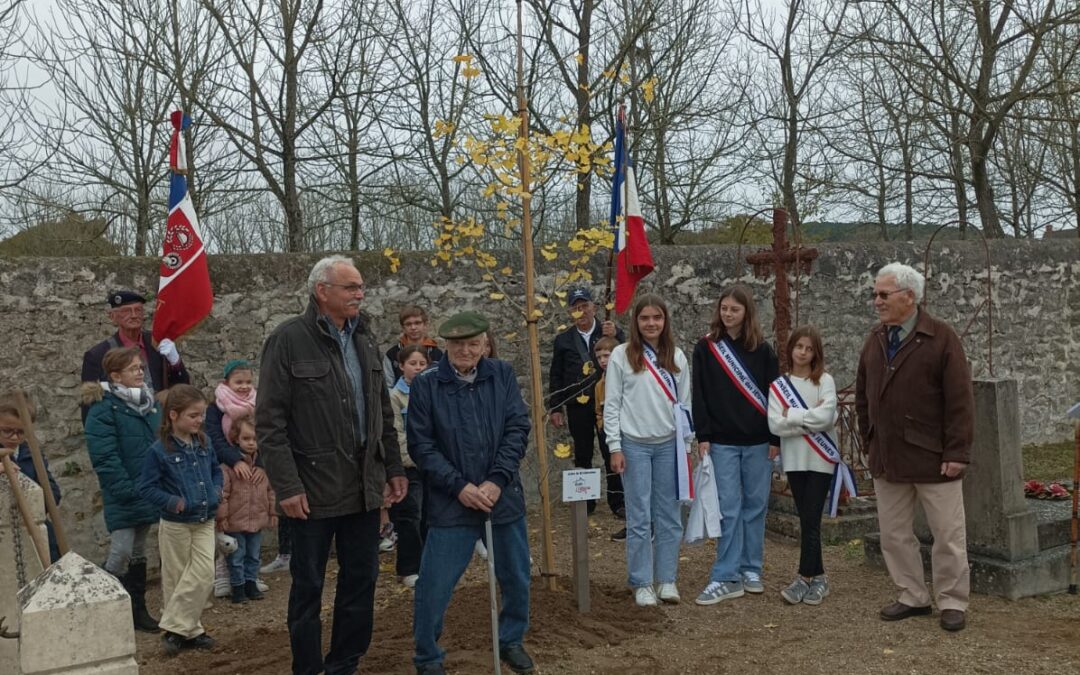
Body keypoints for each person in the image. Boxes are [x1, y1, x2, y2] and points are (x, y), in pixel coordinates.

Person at [256, 255, 406, 675]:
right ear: (322, 291)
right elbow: (269, 422)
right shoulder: (287, 340)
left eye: (360, 287)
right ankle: (307, 668)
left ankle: (344, 664)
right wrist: (286, 486)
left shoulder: (366, 339)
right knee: (308, 588)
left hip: (363, 489)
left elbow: (381, 412)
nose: (360, 294)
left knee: (361, 583)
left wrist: (392, 469)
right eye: (351, 287)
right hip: (312, 491)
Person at [408, 311, 534, 675]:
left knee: (516, 576)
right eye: (458, 344)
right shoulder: (427, 384)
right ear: (445, 346)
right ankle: (428, 657)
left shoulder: (502, 374)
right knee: (434, 585)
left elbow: (516, 428)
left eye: (473, 344)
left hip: (502, 496)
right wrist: (459, 486)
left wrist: (496, 479)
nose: (466, 350)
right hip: (452, 502)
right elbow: (422, 446)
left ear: (484, 345)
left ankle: (510, 640)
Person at [856, 262, 974, 632]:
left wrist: (956, 452)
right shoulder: (876, 339)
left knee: (947, 536)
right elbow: (863, 394)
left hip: (933, 457)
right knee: (893, 534)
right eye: (875, 294)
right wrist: (869, 438)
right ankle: (912, 595)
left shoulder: (941, 337)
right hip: (888, 457)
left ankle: (952, 601)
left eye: (883, 294)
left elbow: (960, 400)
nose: (876, 301)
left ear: (910, 297)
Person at [693, 284, 781, 605]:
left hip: (759, 442)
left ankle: (751, 568)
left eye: (735, 309)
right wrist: (703, 436)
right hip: (722, 442)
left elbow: (775, 397)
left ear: (747, 313)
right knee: (728, 508)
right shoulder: (705, 349)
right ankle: (726, 573)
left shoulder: (763, 351)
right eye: (724, 308)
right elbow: (699, 395)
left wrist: (775, 438)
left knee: (755, 507)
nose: (728, 314)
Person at [603, 294, 693, 608]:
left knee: (669, 515)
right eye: (645, 318)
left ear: (665, 321)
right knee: (639, 516)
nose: (651, 323)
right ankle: (642, 581)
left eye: (657, 318)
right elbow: (611, 405)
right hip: (634, 444)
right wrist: (614, 446)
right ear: (636, 322)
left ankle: (667, 579)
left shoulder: (678, 357)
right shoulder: (620, 355)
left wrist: (686, 446)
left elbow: (685, 406)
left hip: (669, 444)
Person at [82, 347, 164, 632]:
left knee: (140, 551)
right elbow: (104, 456)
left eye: (141, 367)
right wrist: (127, 489)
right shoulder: (104, 408)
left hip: (147, 490)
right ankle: (101, 607)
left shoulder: (150, 404)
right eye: (133, 369)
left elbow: (159, 444)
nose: (140, 371)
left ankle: (137, 611)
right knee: (121, 552)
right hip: (125, 492)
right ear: (115, 376)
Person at [138, 384, 221, 656]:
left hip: (205, 518)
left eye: (201, 415)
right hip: (176, 523)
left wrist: (216, 489)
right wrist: (173, 502)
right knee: (177, 577)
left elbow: (215, 471)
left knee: (204, 574)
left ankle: (173, 628)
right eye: (193, 415)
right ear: (173, 415)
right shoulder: (158, 451)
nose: (199, 420)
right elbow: (147, 487)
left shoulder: (204, 444)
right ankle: (191, 631)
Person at [766, 327, 838, 606]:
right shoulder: (778, 386)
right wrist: (809, 416)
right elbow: (775, 424)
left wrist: (792, 416)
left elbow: (827, 418)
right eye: (799, 347)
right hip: (795, 459)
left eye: (809, 349)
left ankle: (803, 578)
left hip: (820, 459)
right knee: (806, 517)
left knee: (811, 517)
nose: (803, 353)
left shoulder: (825, 381)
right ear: (791, 349)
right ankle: (819, 577)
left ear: (815, 352)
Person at [548, 287, 625, 517]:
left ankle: (618, 502)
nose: (581, 311)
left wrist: (618, 335)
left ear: (594, 307)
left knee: (611, 449)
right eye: (575, 307)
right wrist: (555, 406)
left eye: (585, 306)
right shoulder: (563, 340)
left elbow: (625, 355)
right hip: (577, 405)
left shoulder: (608, 331)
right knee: (582, 453)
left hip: (607, 403)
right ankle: (586, 501)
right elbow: (556, 375)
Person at [205, 359, 272, 597]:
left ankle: (248, 577)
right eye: (238, 382)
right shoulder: (216, 408)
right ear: (227, 383)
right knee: (228, 524)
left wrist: (260, 463)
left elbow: (266, 435)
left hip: (254, 465)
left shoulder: (257, 405)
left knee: (250, 529)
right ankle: (224, 574)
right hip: (226, 464)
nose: (244, 387)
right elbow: (214, 437)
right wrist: (236, 460)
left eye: (248, 382)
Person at [81, 290, 190, 422]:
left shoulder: (158, 343)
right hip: (124, 429)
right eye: (126, 311)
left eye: (138, 310)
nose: (133, 315)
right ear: (112, 317)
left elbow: (183, 386)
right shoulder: (97, 355)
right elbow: (90, 406)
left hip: (162, 426)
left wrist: (175, 361)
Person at [216, 413, 276, 604]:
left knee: (254, 554)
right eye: (246, 438)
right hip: (234, 521)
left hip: (256, 519)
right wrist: (222, 517)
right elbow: (223, 494)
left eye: (255, 439)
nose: (251, 443)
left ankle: (251, 583)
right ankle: (238, 586)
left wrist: (273, 512)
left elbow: (271, 490)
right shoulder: (228, 467)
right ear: (236, 438)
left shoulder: (264, 466)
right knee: (236, 556)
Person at [0, 392, 63, 563]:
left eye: (21, 432)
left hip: (38, 533)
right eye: (7, 431)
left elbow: (54, 494)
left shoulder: (32, 453)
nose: (14, 437)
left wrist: (34, 501)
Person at [388, 344, 429, 588]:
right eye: (413, 364)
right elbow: (397, 434)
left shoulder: (433, 391)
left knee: (428, 517)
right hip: (409, 466)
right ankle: (407, 568)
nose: (418, 368)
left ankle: (426, 564)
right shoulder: (395, 397)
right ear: (402, 366)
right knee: (410, 517)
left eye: (422, 364)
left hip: (430, 466)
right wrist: (415, 459)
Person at [592, 336, 624, 541]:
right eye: (599, 356)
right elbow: (599, 410)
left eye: (607, 355)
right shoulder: (599, 385)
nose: (603, 360)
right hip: (607, 432)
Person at [385, 306, 444, 385]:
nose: (413, 327)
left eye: (417, 323)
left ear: (425, 325)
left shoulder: (437, 355)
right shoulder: (392, 355)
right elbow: (388, 386)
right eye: (408, 324)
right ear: (403, 328)